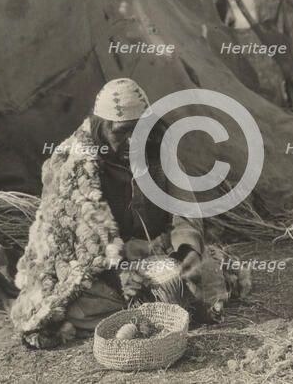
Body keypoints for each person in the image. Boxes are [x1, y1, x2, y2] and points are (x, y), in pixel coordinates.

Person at [12, 78, 206, 348]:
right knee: (73, 303)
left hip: (154, 253)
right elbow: (69, 247)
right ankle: (147, 309)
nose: (132, 142)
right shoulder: (75, 167)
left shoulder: (160, 152)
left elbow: (184, 209)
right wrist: (119, 272)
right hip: (99, 271)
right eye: (122, 132)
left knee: (202, 275)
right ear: (102, 128)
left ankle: (146, 307)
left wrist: (187, 251)